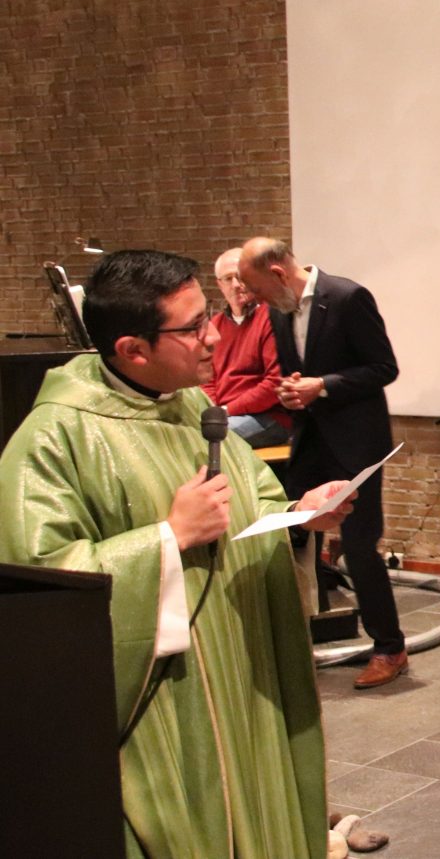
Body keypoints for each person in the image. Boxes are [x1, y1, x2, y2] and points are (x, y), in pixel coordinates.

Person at [0, 249, 354, 859]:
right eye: (192, 328)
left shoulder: (188, 404)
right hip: (166, 703)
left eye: (208, 315)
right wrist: (168, 537)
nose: (214, 336)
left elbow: (252, 498)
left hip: (240, 668)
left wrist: (301, 511)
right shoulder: (53, 439)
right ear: (133, 349)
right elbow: (43, 590)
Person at [237, 236, 407, 689]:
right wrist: (291, 391)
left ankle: (389, 648)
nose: (255, 300)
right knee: (288, 531)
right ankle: (290, 641)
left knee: (358, 546)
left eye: (257, 289)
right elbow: (295, 372)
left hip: (356, 444)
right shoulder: (279, 309)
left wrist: (324, 385)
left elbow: (384, 368)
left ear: (277, 273)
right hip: (311, 440)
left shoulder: (348, 298)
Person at [204, 246, 291, 446]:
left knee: (205, 439)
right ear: (219, 285)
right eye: (228, 279)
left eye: (240, 277)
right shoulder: (215, 326)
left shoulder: (273, 317)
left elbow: (275, 383)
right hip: (226, 415)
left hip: (268, 417)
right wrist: (214, 411)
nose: (236, 285)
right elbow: (207, 380)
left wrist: (225, 411)